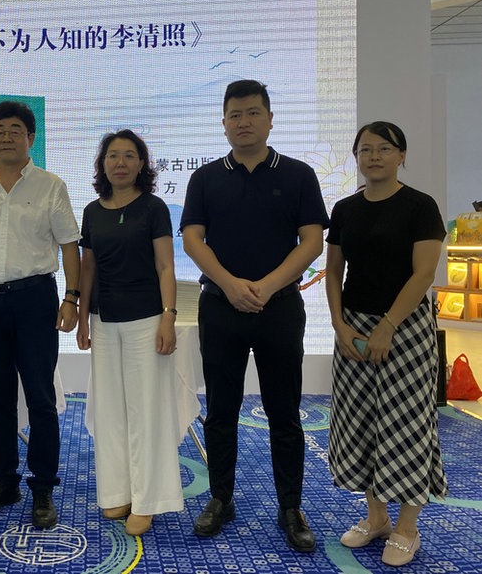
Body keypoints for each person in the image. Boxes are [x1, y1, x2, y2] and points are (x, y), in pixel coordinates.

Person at [180, 80, 328, 552]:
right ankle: (220, 498)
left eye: (252, 113)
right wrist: (229, 284)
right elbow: (193, 239)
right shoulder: (205, 178)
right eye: (235, 115)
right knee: (221, 410)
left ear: (269, 119)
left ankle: (291, 506)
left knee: (284, 412)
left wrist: (266, 286)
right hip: (220, 306)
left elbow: (312, 241)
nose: (243, 122)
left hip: (278, 307)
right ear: (223, 123)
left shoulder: (299, 174)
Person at [325, 121, 447, 567]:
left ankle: (407, 528)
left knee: (407, 425)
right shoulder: (345, 209)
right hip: (354, 328)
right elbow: (333, 272)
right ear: (356, 157)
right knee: (360, 423)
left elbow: (424, 274)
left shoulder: (420, 206)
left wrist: (388, 325)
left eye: (384, 148)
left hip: (406, 327)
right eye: (365, 149)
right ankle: (376, 518)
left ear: (401, 155)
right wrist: (339, 326)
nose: (373, 156)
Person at [0, 100, 81, 529]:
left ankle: (43, 486)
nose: (6, 137)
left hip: (35, 298)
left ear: (31, 138)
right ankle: (3, 481)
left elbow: (69, 245)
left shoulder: (50, 185)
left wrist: (72, 298)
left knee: (41, 396)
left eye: (15, 130)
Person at [76, 130, 183, 536]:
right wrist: (83, 317)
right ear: (102, 164)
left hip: (145, 319)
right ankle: (118, 491)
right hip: (103, 321)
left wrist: (168, 317)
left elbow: (166, 267)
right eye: (112, 156)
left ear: (142, 164)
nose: (120, 163)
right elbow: (88, 267)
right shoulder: (92, 211)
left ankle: (148, 500)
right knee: (110, 411)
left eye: (129, 156)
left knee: (145, 411)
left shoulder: (153, 208)